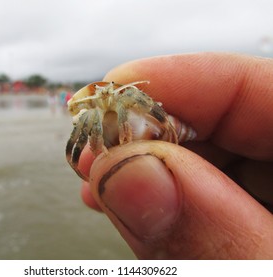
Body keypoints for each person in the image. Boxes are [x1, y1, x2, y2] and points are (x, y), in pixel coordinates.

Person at [77, 53, 273, 259]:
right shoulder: (95, 111)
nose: (103, 96)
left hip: (149, 136)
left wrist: (162, 125)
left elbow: (143, 103)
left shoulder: (125, 97)